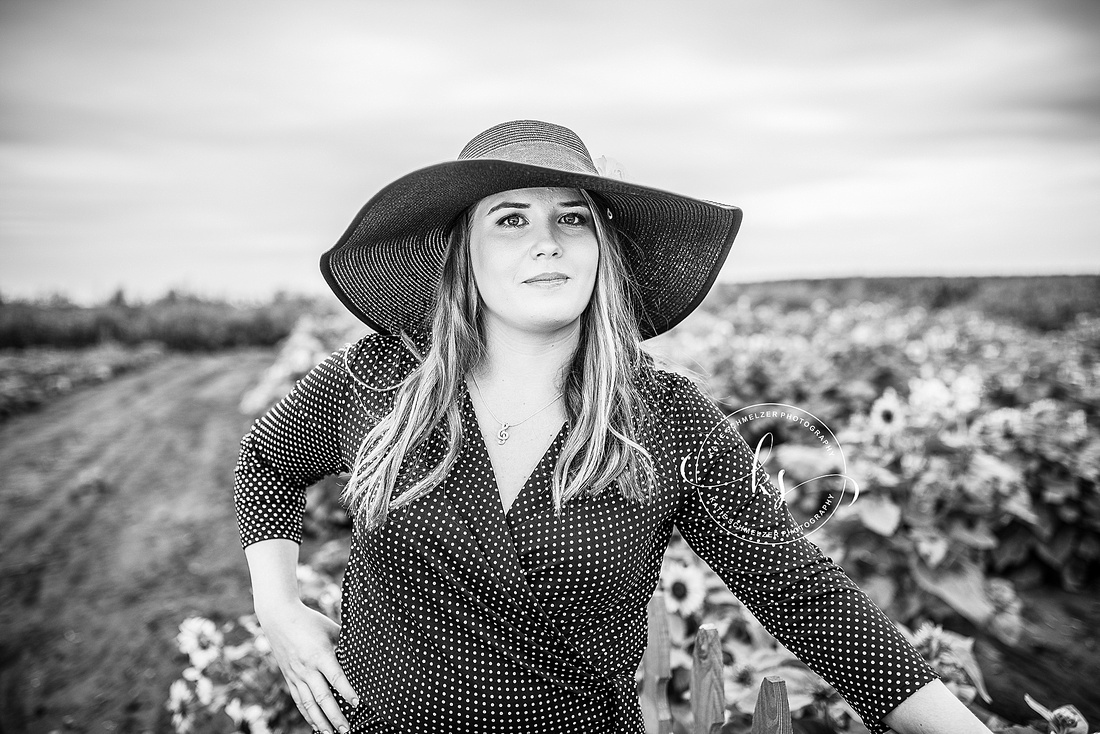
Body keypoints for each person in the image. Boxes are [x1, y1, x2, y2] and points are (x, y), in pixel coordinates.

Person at [234, 120, 994, 734]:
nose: (548, 241)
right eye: (510, 219)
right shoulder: (380, 381)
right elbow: (265, 460)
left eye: (573, 218)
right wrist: (278, 606)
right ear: (463, 256)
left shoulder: (665, 418)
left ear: (602, 250)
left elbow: (800, 590)